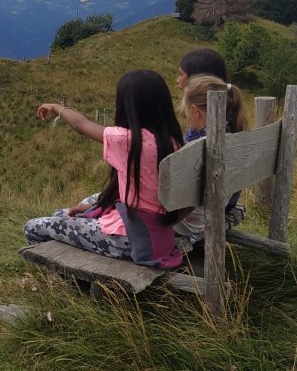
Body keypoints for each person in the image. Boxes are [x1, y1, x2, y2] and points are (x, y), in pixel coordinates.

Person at [23, 69, 185, 269]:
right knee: (60, 215)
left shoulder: (128, 140)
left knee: (33, 227)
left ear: (127, 106)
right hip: (157, 236)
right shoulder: (172, 141)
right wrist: (95, 207)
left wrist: (56, 107)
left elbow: (80, 124)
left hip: (130, 240)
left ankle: (60, 280)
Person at [172, 73, 248, 242]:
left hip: (190, 222)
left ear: (195, 111)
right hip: (218, 208)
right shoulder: (232, 133)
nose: (184, 115)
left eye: (185, 110)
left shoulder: (200, 143)